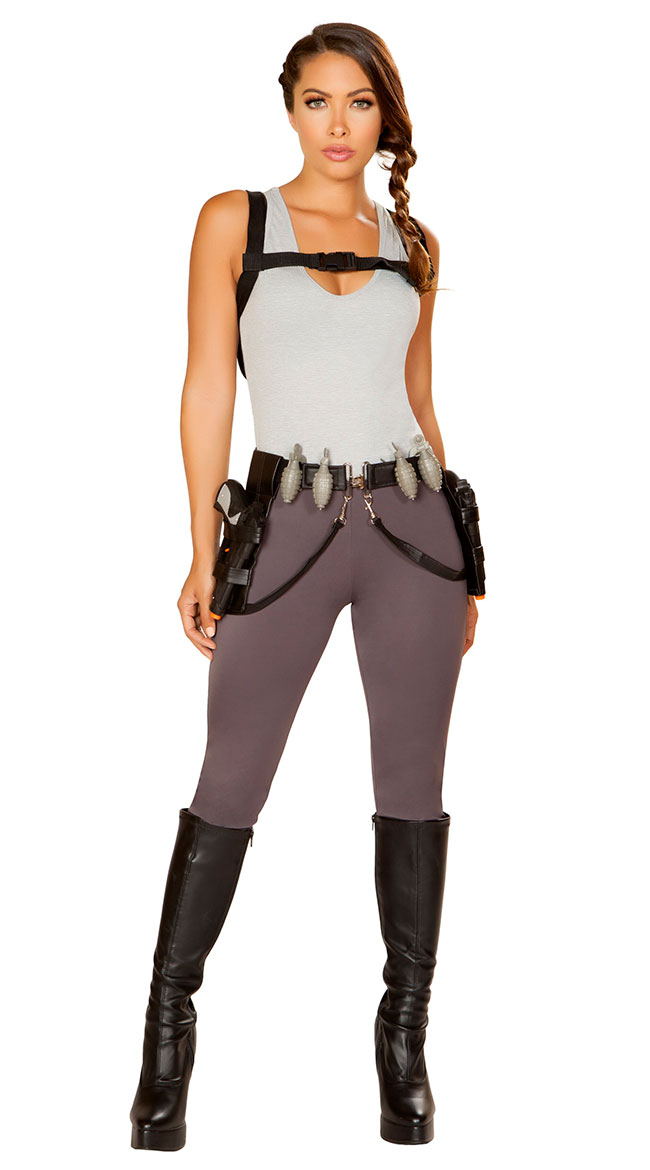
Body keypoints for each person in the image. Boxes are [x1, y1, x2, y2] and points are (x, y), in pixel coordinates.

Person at [129, 21, 482, 1151]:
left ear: (386, 118)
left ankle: (403, 1046)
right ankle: (166, 1040)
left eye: (360, 104)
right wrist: (201, 548)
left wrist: (466, 565)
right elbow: (206, 388)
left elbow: (420, 402)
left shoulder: (413, 242)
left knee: (413, 786)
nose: (339, 125)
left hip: (415, 534)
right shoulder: (233, 220)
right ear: (288, 109)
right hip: (284, 528)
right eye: (319, 101)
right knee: (230, 776)